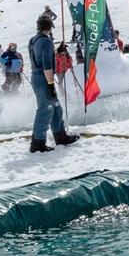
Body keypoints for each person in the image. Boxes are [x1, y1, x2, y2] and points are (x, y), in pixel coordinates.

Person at [28, 15, 79, 153]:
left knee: (56, 108)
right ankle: (37, 143)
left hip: (38, 77)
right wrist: (50, 84)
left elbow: (41, 57)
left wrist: (57, 51)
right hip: (44, 78)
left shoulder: (33, 40)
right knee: (46, 109)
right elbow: (46, 66)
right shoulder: (46, 41)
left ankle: (60, 135)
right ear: (50, 27)